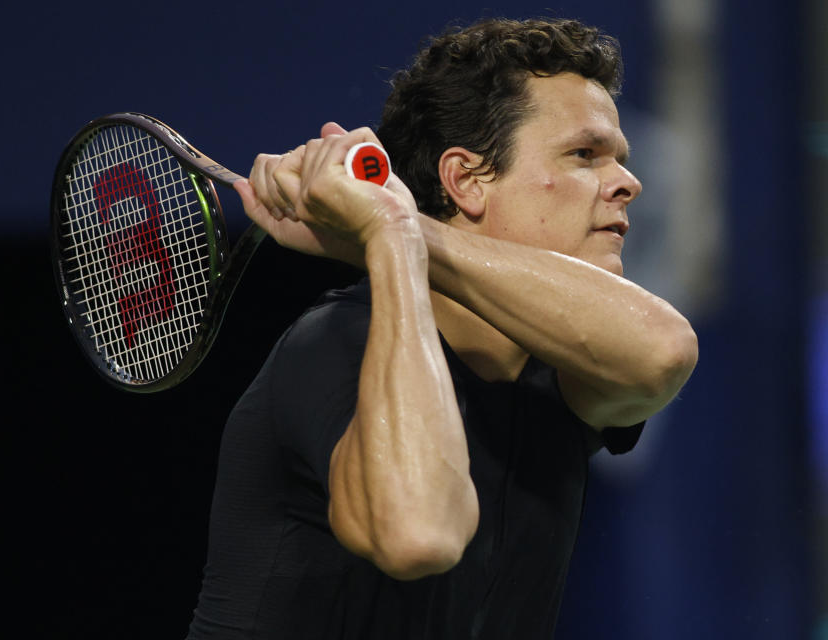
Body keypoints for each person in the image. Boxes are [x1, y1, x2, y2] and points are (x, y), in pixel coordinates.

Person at [186, 17, 698, 639]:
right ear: (465, 181)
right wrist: (391, 234)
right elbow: (418, 534)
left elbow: (665, 349)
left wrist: (395, 227)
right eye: (584, 154)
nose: (628, 182)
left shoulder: (566, 373)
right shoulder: (331, 345)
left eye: (619, 159)